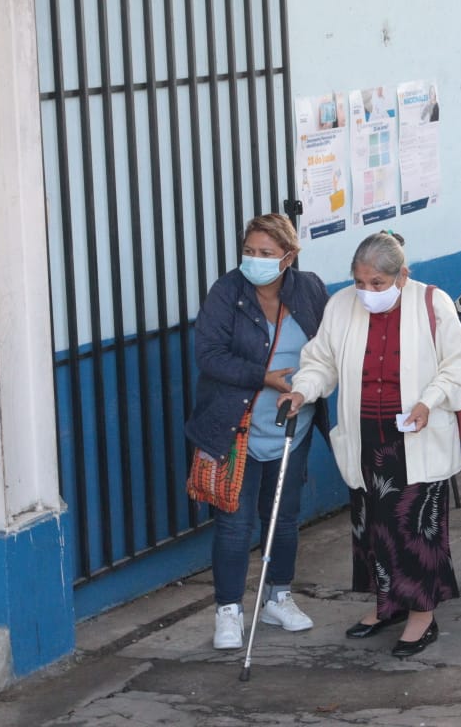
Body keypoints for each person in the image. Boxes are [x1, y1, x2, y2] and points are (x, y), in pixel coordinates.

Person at [281, 232, 461, 658]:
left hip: (416, 434)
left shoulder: (432, 302)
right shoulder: (340, 306)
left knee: (415, 527)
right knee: (372, 524)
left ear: (402, 275)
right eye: (360, 282)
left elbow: (460, 364)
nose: (367, 291)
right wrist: (302, 391)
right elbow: (321, 362)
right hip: (365, 434)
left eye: (377, 283)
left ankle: (421, 615)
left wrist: (430, 401)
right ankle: (386, 604)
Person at [188, 214, 331, 650]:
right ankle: (228, 611)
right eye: (249, 251)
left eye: (266, 254)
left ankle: (278, 598)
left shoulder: (308, 290)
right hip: (237, 425)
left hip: (293, 423)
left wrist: (307, 388)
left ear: (288, 257)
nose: (255, 260)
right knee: (234, 522)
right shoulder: (226, 292)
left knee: (283, 520)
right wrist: (263, 376)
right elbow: (208, 355)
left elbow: (327, 347)